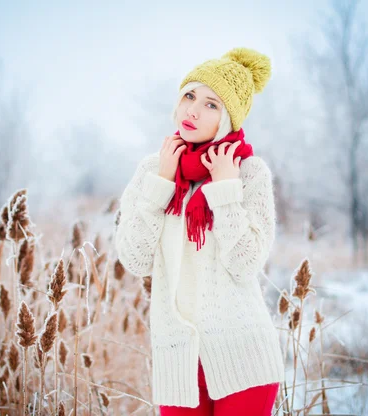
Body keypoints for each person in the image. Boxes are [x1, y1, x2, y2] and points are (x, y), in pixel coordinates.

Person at [114, 47, 284, 416]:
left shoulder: (249, 173)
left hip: (244, 359)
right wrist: (161, 183)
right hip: (179, 362)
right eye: (189, 95)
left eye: (211, 104)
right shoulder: (152, 169)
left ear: (228, 119)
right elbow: (136, 259)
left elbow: (245, 264)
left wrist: (225, 191)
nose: (193, 109)